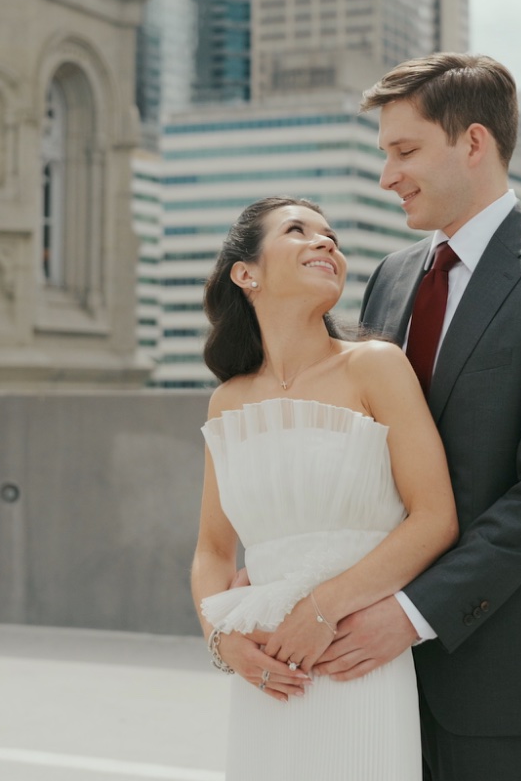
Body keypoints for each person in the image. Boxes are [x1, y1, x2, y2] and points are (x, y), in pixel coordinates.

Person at [319, 53, 521, 780]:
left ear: (475, 144)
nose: (387, 175)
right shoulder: (391, 278)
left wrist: (413, 613)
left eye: (404, 151)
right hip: (375, 671)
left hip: (498, 669)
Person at [190, 195, 459, 780]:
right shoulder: (228, 400)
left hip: (353, 657)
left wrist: (321, 611)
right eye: (298, 230)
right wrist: (222, 641)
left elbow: (434, 517)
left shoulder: (376, 366)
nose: (325, 242)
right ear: (246, 274)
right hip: (265, 675)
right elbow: (213, 549)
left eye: (331, 235)